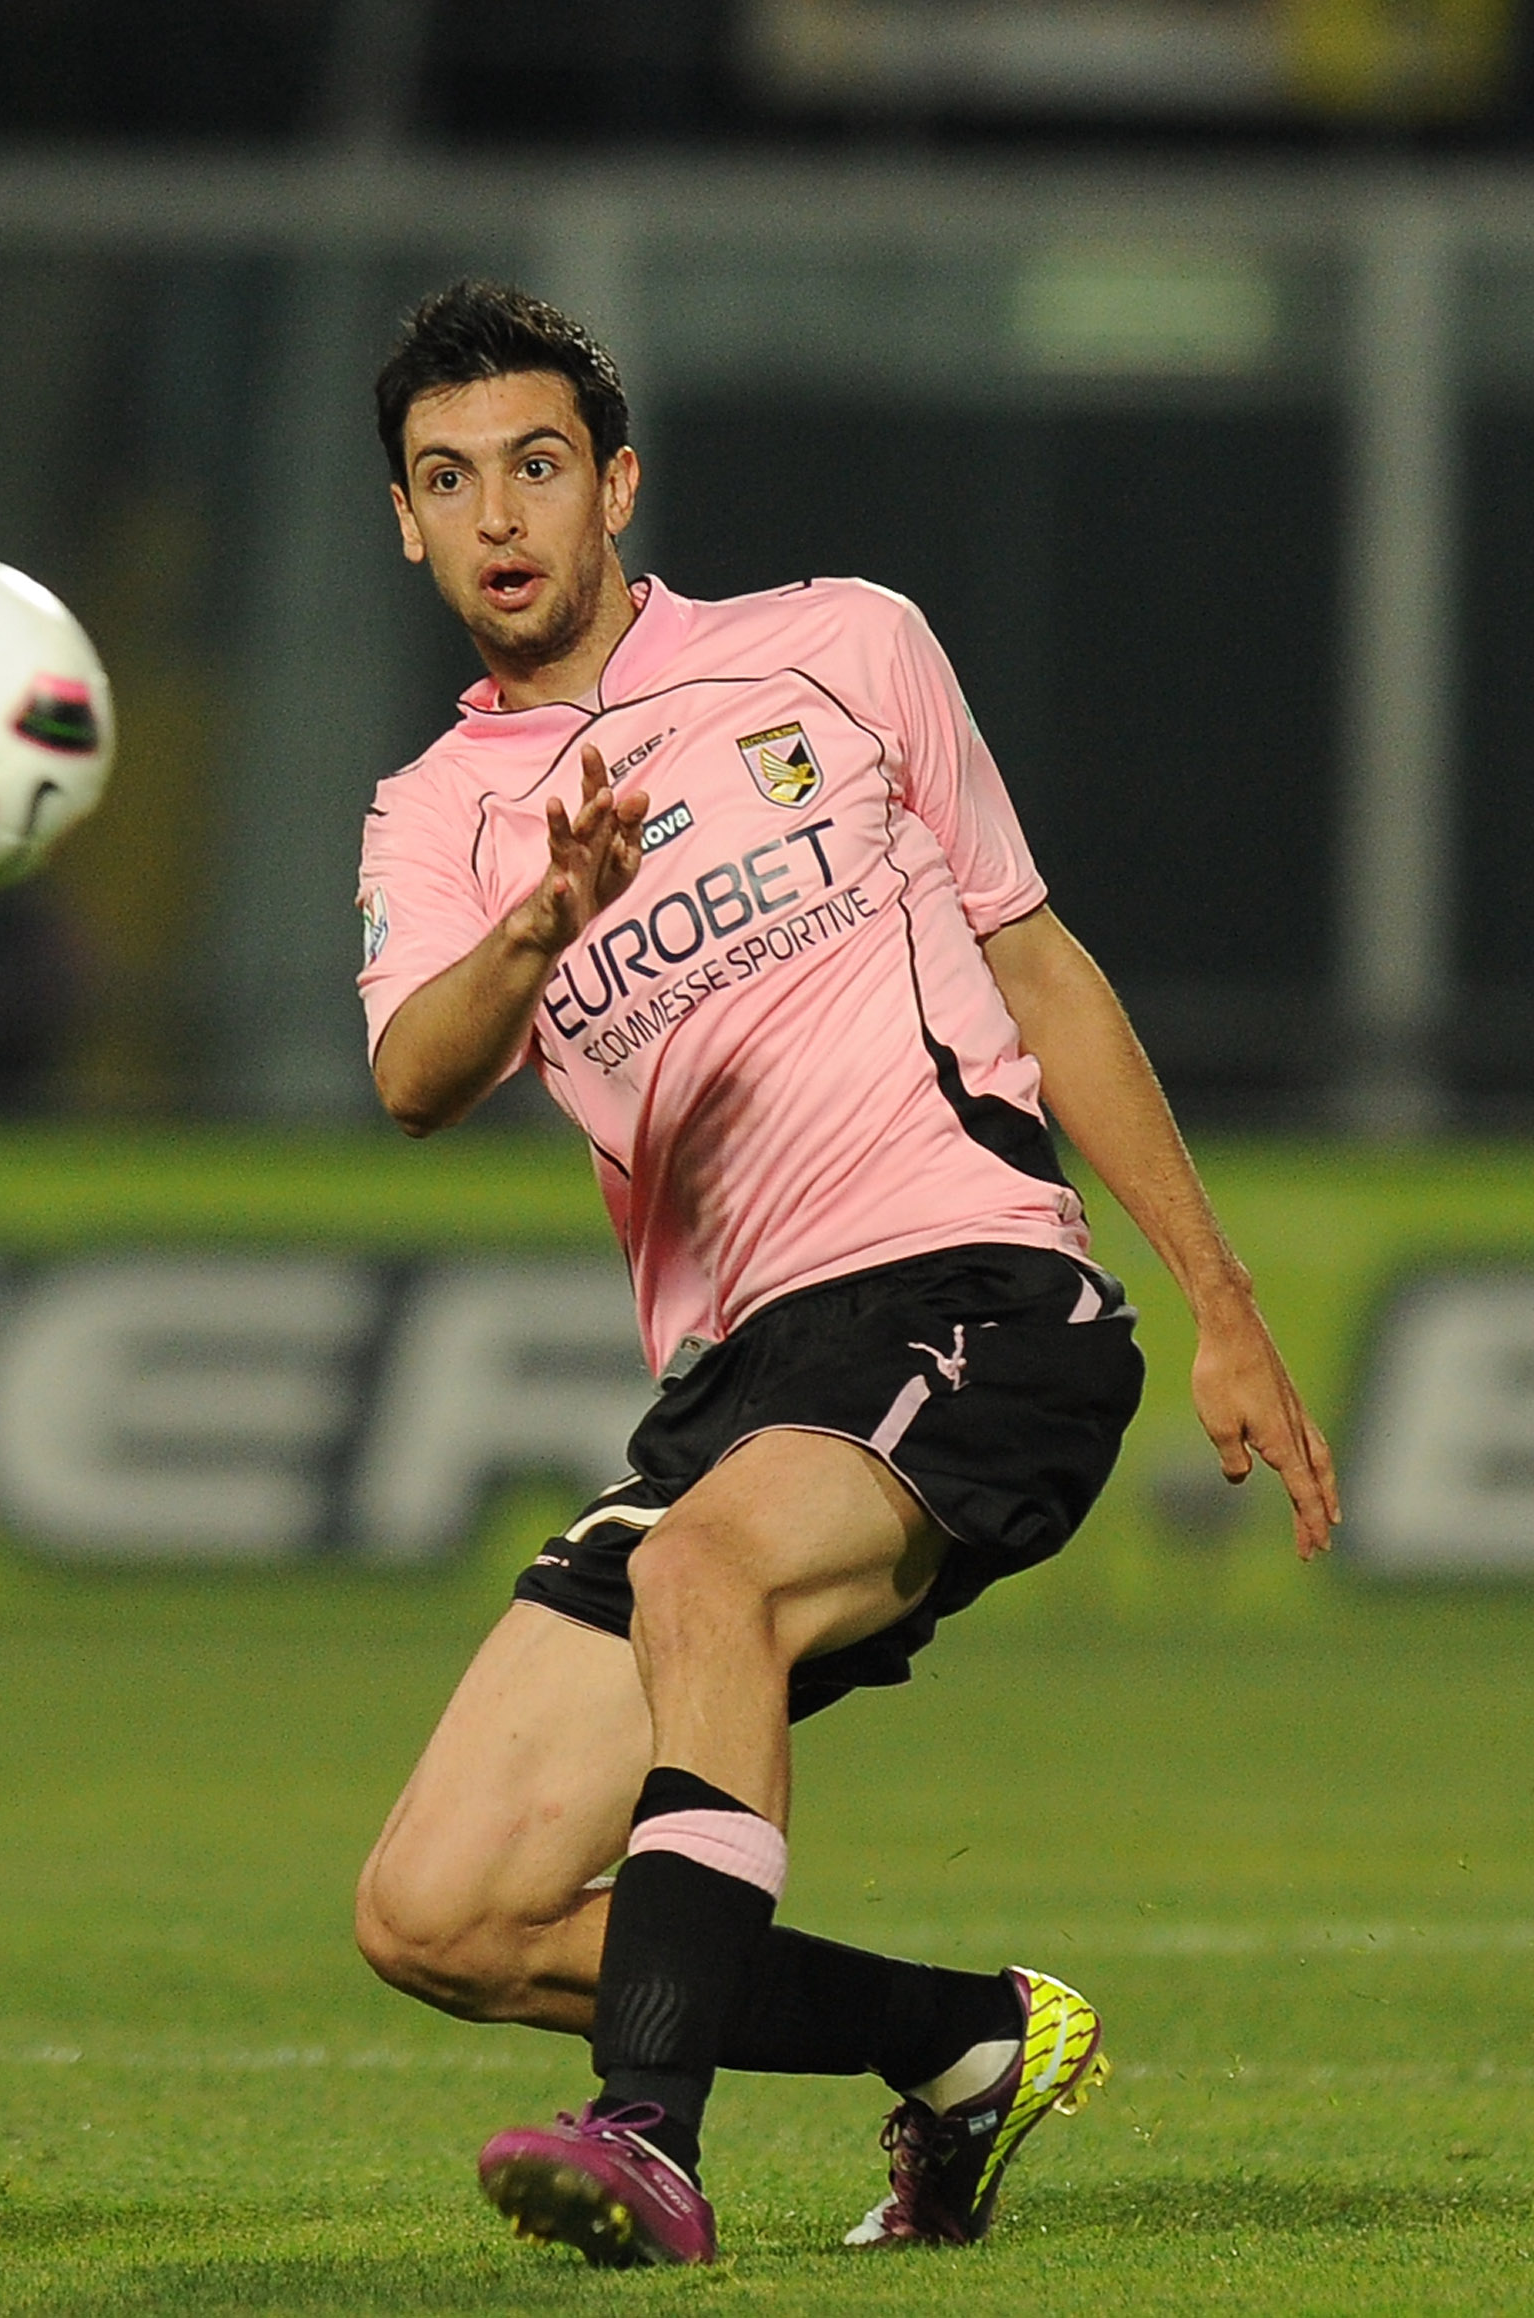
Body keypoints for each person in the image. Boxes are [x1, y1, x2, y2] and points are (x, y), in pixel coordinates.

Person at [346, 281, 1339, 2267]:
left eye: (537, 463)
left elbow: (1039, 965)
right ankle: (965, 2041)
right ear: (406, 524)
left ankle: (653, 2135)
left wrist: (1220, 1296)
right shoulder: (435, 818)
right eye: (447, 481)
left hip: (969, 1289)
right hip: (741, 1378)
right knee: (439, 1909)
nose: (499, 513)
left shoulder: (841, 646)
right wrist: (542, 925)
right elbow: (413, 1076)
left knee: (705, 1569)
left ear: (615, 483)